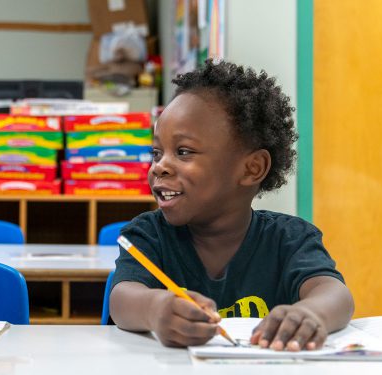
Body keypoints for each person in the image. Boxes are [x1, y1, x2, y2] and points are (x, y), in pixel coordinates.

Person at [109, 60, 354, 351]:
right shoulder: (148, 234)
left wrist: (312, 313)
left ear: (252, 168)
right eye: (157, 153)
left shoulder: (290, 239)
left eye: (183, 151)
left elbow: (335, 294)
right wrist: (154, 309)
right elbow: (121, 298)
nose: (159, 167)